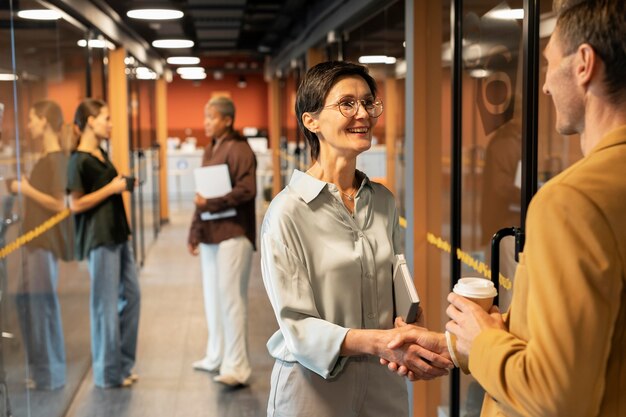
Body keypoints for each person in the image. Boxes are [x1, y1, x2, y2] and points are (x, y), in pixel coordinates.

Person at [444, 0, 626, 415]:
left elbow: (557, 395)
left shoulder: (572, 202)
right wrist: (458, 346)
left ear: (583, 63)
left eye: (548, 63)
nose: (544, 86)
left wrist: (483, 339)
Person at [260, 61, 452, 417]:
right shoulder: (287, 212)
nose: (362, 113)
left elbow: (395, 284)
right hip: (313, 390)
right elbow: (297, 327)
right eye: (347, 103)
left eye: (368, 102)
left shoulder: (383, 201)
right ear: (311, 121)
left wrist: (411, 330)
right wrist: (383, 343)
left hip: (384, 386)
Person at [67, 98, 140, 388]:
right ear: (89, 122)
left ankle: (122, 364)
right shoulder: (78, 160)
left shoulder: (100, 153)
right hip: (99, 239)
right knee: (105, 306)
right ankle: (107, 373)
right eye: (106, 118)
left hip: (118, 234)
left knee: (132, 297)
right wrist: (112, 187)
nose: (110, 124)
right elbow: (75, 204)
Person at [187, 96, 257, 387]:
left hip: (233, 235)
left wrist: (211, 203)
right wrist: (195, 231)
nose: (206, 123)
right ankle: (216, 355)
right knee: (212, 299)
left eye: (211, 117)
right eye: (205, 117)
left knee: (231, 302)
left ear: (227, 120)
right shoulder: (210, 149)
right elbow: (201, 197)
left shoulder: (240, 149)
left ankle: (237, 367)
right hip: (211, 235)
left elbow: (247, 190)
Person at [10, 100, 73, 390]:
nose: (29, 124)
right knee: (27, 304)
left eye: (33, 119)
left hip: (44, 244)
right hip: (33, 242)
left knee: (42, 306)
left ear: (45, 121)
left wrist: (25, 189)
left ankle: (51, 374)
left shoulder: (56, 159)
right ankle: (40, 371)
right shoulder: (46, 158)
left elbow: (60, 205)